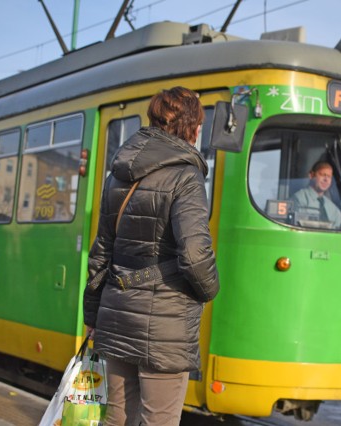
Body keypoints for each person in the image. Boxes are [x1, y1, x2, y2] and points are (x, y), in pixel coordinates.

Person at [83, 86, 220, 426]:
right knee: (158, 420)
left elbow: (102, 250)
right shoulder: (186, 176)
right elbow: (194, 254)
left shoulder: (118, 174)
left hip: (117, 312)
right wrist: (209, 291)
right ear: (190, 127)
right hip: (166, 322)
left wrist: (92, 314)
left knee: (116, 418)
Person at [291, 161, 341, 228]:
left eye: (329, 176)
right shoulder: (298, 199)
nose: (326, 179)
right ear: (311, 175)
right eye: (322, 175)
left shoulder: (334, 210)